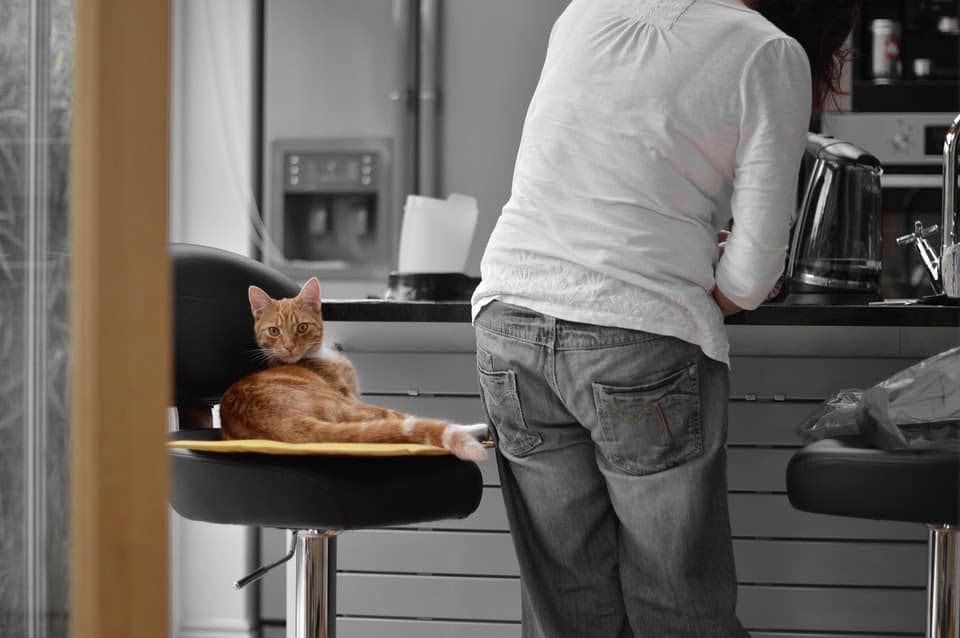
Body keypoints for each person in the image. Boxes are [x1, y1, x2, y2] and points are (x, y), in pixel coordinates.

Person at [471, 1, 860, 636]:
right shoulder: (767, 51)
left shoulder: (587, 10)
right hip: (637, 336)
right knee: (676, 604)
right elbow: (756, 273)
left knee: (564, 602)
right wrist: (714, 286)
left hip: (509, 323)